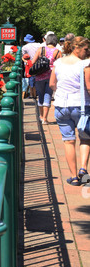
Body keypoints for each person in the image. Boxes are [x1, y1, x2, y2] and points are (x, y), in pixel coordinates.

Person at [49, 36, 90, 186]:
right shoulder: (85, 64)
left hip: (61, 106)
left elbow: (52, 84)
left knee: (68, 141)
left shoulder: (58, 62)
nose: (87, 52)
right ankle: (83, 169)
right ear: (76, 48)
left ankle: (73, 177)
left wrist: (61, 93)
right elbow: (89, 86)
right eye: (86, 49)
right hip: (81, 106)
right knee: (85, 138)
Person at [31, 33, 62, 124]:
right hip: (51, 76)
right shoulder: (57, 52)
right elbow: (60, 65)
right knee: (48, 95)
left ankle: (41, 116)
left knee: (40, 96)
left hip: (39, 76)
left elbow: (33, 62)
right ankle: (45, 118)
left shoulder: (41, 50)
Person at [22, 34, 41, 99]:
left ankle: (32, 95)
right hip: (38, 64)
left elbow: (23, 56)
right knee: (37, 79)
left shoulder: (24, 47)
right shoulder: (38, 45)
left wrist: (24, 60)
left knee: (31, 81)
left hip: (29, 65)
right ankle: (37, 93)